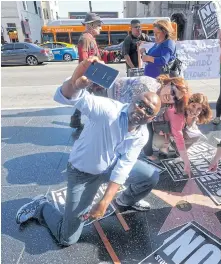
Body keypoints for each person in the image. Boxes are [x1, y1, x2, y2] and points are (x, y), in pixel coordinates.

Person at [15, 57, 162, 246]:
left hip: (110, 166)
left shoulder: (142, 134)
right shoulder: (109, 110)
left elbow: (124, 166)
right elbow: (71, 96)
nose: (142, 110)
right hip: (83, 173)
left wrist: (105, 201)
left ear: (151, 119)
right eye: (141, 103)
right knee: (67, 238)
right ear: (133, 100)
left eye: (148, 110)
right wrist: (77, 80)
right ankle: (42, 207)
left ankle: (126, 200)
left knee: (150, 176)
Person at [107, 74, 191, 170]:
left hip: (124, 109)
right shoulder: (145, 86)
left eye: (175, 98)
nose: (171, 96)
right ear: (168, 83)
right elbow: (128, 116)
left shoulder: (164, 105)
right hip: (108, 93)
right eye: (172, 91)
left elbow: (146, 121)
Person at [70, 13, 103, 130]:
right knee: (103, 97)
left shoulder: (89, 38)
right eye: (99, 25)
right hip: (91, 75)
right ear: (91, 25)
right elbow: (84, 60)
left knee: (85, 97)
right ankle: (101, 121)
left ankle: (75, 119)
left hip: (92, 74)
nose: (101, 27)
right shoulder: (85, 39)